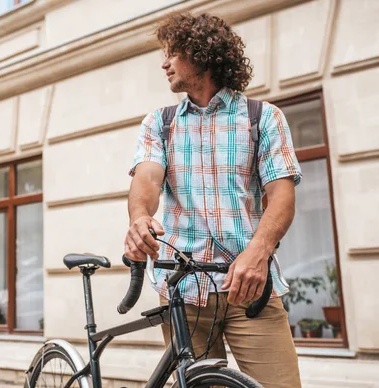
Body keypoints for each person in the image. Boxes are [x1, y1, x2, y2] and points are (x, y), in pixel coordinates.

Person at [124, 12, 303, 388]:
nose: (164, 62)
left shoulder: (263, 117)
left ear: (203, 54)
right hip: (185, 294)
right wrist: (140, 217)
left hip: (252, 288)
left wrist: (259, 251)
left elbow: (282, 198)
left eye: (173, 52)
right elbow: (148, 180)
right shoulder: (160, 123)